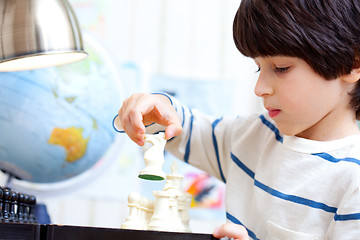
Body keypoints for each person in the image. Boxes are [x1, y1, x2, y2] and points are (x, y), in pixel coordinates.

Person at [114, 0, 360, 239]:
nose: (260, 88)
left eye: (281, 68)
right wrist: (156, 107)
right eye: (258, 68)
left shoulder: (354, 182)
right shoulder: (252, 136)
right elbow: (184, 128)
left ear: (352, 64)